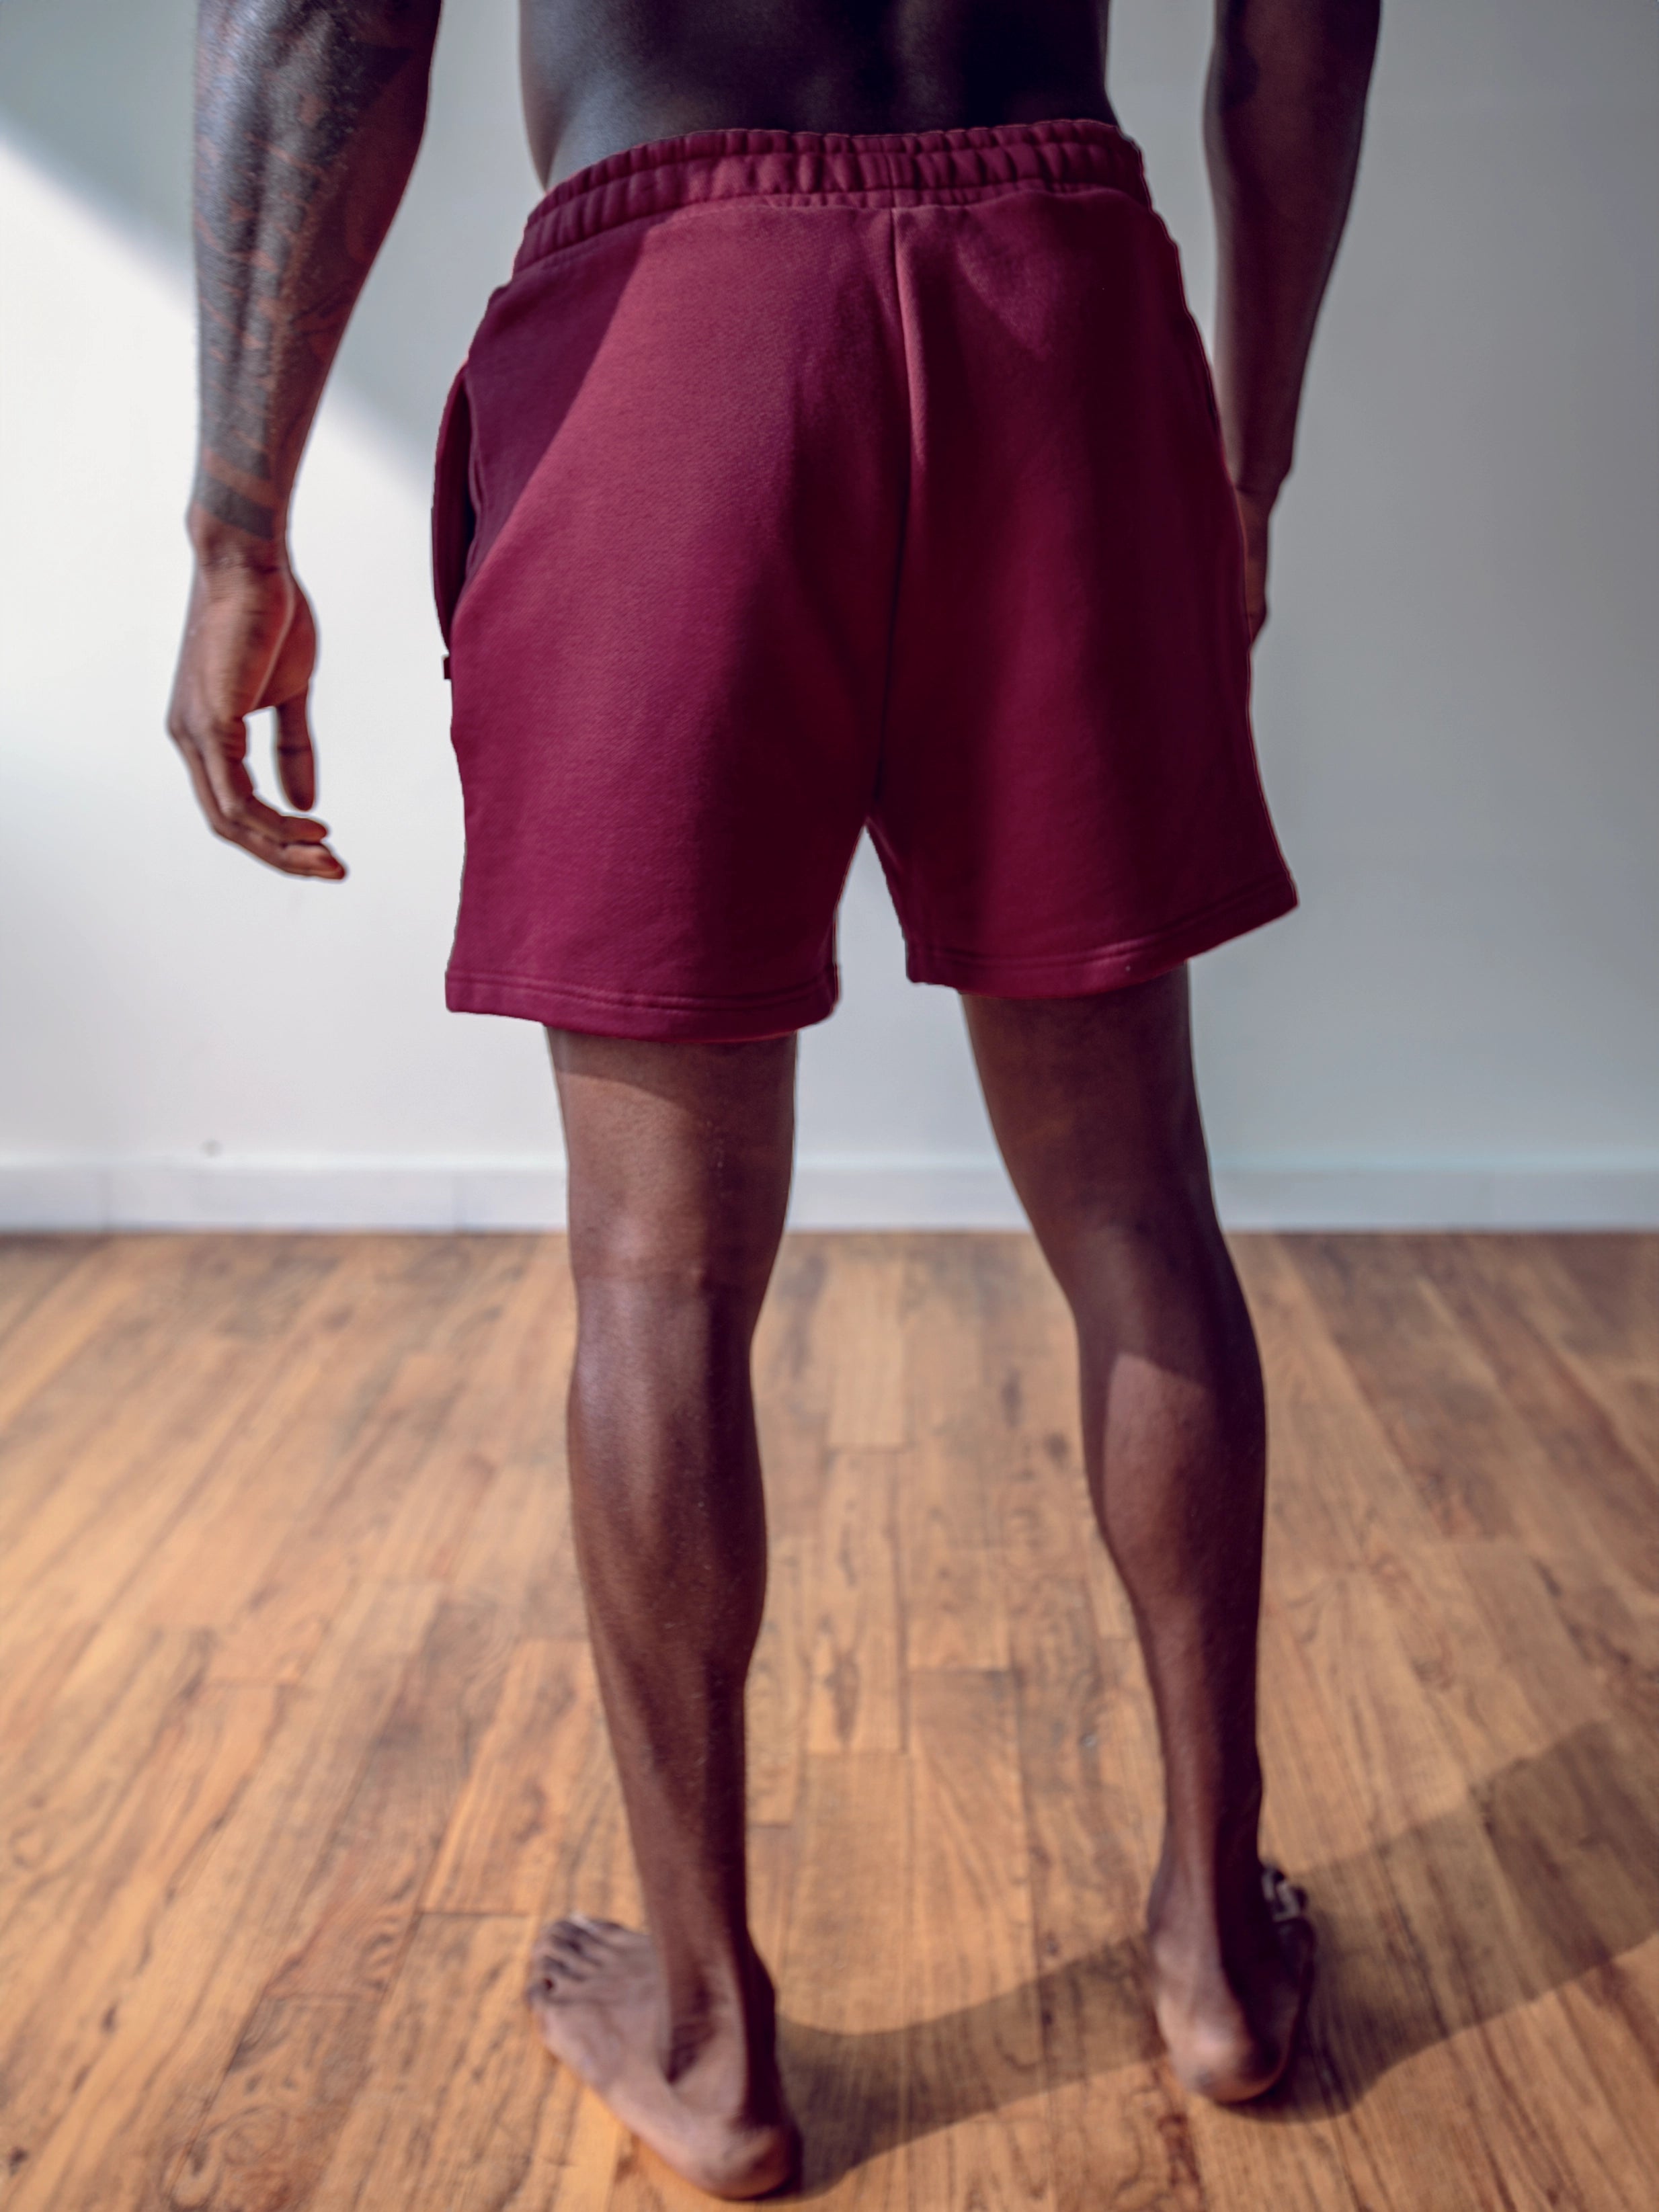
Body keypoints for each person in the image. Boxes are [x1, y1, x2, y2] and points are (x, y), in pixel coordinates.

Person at [166, 0, 1378, 2197]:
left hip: (678, 316)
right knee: (1132, 1204)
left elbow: (321, 18)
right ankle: (1215, 1953)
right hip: (1055, 294)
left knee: (656, 1265)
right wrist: (1243, 451)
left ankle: (713, 2040)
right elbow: (1302, 27)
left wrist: (238, 520)